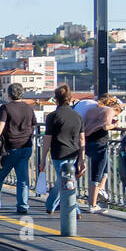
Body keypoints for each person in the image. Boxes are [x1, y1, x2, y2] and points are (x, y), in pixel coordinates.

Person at [0, 82, 37, 215]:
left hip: (9, 147)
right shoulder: (29, 108)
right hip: (25, 147)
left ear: (9, 94)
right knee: (23, 179)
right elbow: (33, 126)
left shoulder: (5, 108)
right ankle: (23, 205)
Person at [39, 84, 85, 215]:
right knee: (66, 180)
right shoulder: (77, 116)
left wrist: (43, 160)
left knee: (63, 181)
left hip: (59, 153)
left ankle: (69, 208)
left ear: (56, 99)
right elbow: (82, 140)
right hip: (74, 153)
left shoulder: (53, 116)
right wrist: (82, 159)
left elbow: (47, 139)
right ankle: (55, 206)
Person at [80, 94, 122, 212]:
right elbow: (105, 126)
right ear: (115, 109)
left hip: (88, 143)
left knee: (104, 169)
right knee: (97, 173)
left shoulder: (92, 110)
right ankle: (92, 204)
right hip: (100, 144)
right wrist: (115, 125)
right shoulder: (109, 110)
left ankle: (101, 190)